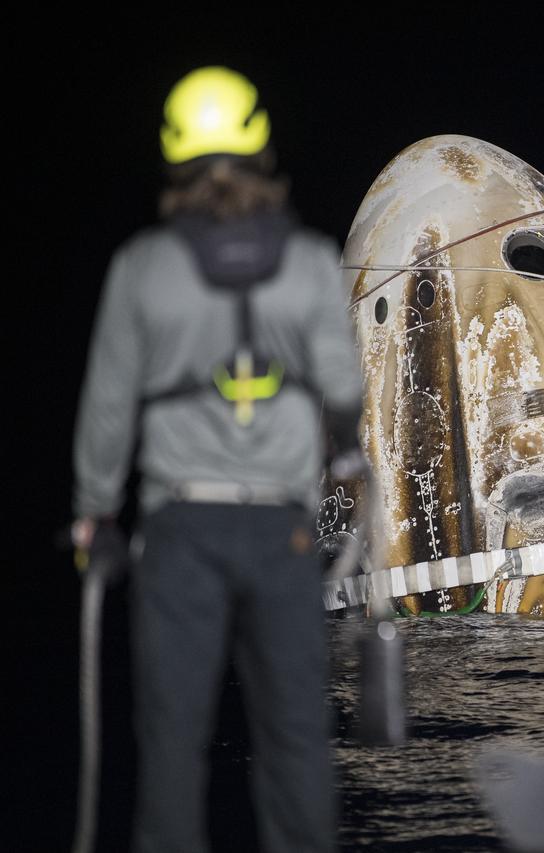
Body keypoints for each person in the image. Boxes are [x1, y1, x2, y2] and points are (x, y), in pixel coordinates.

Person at [71, 66, 364, 853]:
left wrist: (95, 513)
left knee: (170, 746)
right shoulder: (307, 261)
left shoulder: (141, 267)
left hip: (178, 536)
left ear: (174, 155)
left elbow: (107, 405)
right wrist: (347, 459)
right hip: (284, 535)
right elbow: (342, 384)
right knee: (297, 740)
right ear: (261, 144)